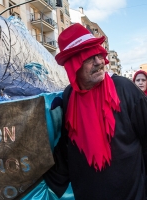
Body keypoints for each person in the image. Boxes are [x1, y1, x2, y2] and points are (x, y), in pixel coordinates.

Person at [44, 23, 147, 200]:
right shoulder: (68, 96)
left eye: (99, 54)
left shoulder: (125, 89)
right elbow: (67, 147)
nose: (99, 62)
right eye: (90, 57)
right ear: (73, 65)